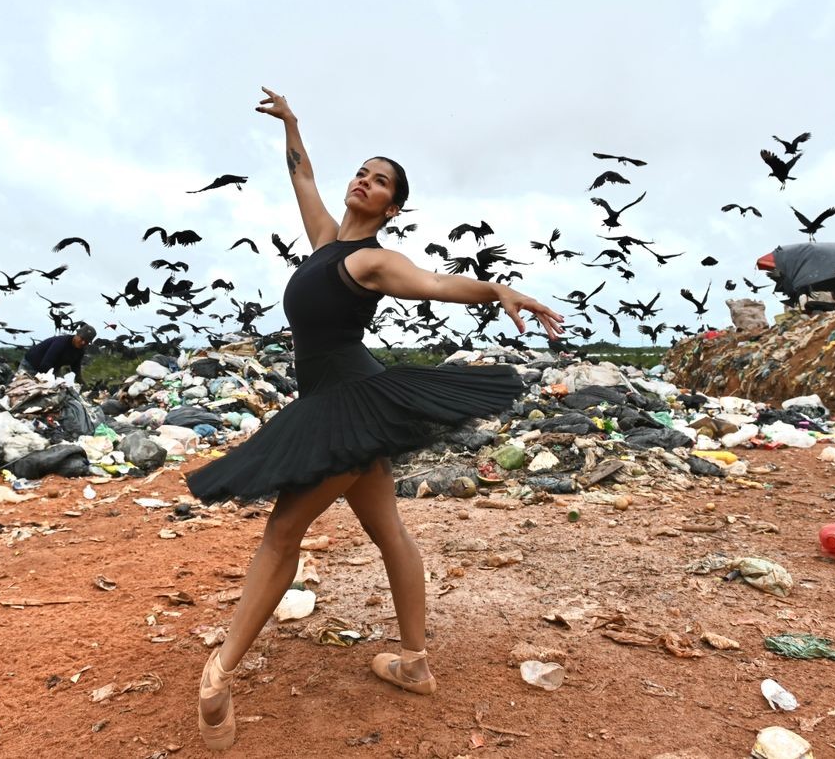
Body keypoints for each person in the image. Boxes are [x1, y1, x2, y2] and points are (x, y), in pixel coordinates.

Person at [186, 87, 564, 751]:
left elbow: (438, 284)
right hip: (338, 402)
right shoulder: (325, 243)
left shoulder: (374, 261)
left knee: (282, 535)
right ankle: (414, 663)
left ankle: (218, 678)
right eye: (362, 172)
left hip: (349, 403)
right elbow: (302, 177)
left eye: (380, 180)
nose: (365, 180)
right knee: (388, 529)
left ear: (393, 207)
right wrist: (292, 123)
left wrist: (498, 288)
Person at [18, 322, 95, 377]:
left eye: (86, 341)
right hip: (31, 365)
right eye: (82, 338)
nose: (83, 342)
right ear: (77, 335)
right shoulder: (61, 343)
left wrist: (82, 384)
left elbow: (76, 368)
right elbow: (45, 364)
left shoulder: (81, 350)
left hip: (52, 368)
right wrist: (52, 381)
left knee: (63, 389)